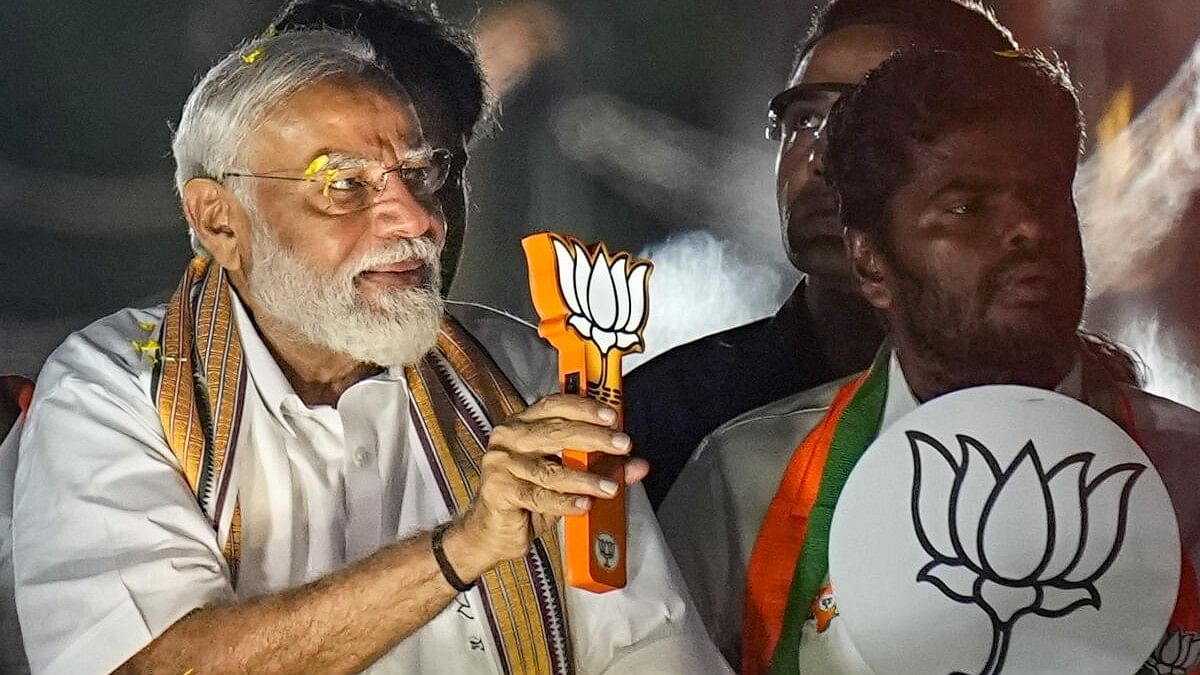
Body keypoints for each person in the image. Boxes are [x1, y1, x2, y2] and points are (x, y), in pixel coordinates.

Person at [12, 31, 728, 674]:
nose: (417, 219)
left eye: (422, 174)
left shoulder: (524, 373)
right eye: (345, 185)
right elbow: (153, 664)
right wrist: (464, 548)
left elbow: (648, 647)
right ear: (219, 219)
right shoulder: (112, 389)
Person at [659, 48, 1200, 674]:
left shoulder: (1189, 475)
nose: (1027, 226)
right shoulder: (749, 480)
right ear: (869, 262)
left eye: (1045, 195)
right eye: (966, 206)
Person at [623, 0, 1021, 508]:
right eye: (805, 120)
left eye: (874, 122)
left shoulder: (1083, 410)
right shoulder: (667, 417)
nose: (819, 159)